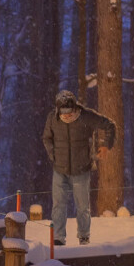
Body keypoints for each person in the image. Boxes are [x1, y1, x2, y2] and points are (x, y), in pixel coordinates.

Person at [42, 89, 116, 247]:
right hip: (59, 170)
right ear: (58, 110)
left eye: (69, 111)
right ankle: (58, 238)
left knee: (82, 206)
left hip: (81, 170)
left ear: (74, 107)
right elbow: (46, 138)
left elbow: (110, 125)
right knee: (58, 205)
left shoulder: (86, 116)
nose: (67, 115)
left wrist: (105, 145)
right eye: (63, 111)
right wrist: (52, 154)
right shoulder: (52, 119)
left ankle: (84, 236)